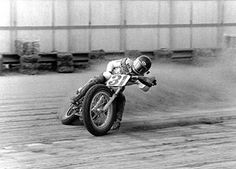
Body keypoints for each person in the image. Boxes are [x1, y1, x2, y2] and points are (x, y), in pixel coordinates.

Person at [72, 55, 156, 131]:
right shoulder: (126, 62)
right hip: (108, 78)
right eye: (138, 66)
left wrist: (150, 83)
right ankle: (79, 96)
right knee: (95, 80)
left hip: (117, 89)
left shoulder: (139, 78)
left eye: (141, 69)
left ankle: (116, 121)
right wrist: (109, 71)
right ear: (135, 61)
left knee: (121, 99)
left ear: (145, 71)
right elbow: (111, 63)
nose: (138, 69)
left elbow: (144, 88)